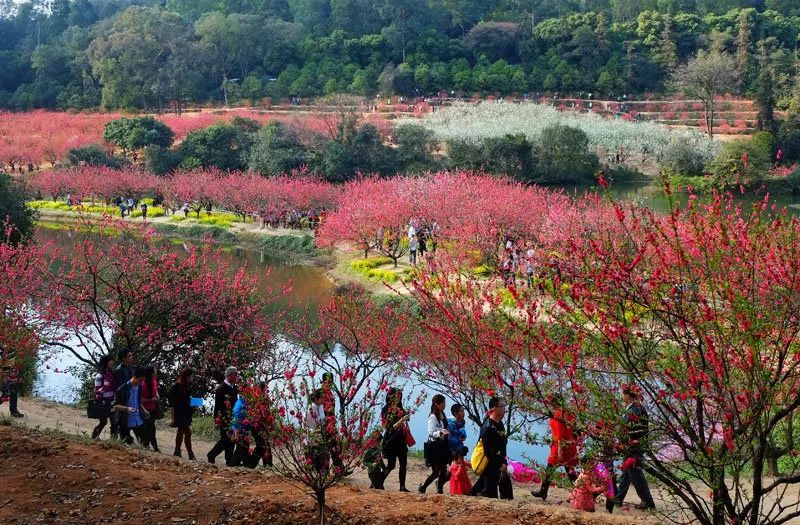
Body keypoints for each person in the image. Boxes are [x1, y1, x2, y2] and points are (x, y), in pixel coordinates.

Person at [531, 394, 579, 500]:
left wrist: (560, 451)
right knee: (570, 472)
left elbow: (560, 435)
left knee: (552, 469)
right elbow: (574, 431)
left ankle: (543, 491)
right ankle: (581, 492)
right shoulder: (568, 414)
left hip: (560, 447)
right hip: (569, 445)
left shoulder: (558, 415)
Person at [615, 387, 656, 510]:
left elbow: (632, 429)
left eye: (623, 395)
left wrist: (625, 443)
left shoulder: (636, 409)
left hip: (633, 446)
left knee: (635, 474)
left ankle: (648, 502)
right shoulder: (634, 408)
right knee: (626, 474)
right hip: (631, 446)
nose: (622, 397)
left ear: (628, 395)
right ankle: (618, 499)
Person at [471, 396, 512, 499]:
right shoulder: (488, 427)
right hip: (490, 465)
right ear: (494, 408)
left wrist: (504, 461)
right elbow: (488, 451)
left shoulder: (500, 424)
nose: (504, 409)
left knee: (486, 488)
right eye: (502, 406)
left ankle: (471, 495)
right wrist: (499, 464)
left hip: (499, 463)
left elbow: (502, 444)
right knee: (489, 493)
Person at [419, 394, 451, 494]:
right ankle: (423, 487)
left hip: (443, 446)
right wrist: (440, 433)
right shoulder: (433, 417)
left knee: (443, 469)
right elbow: (430, 433)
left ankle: (440, 489)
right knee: (436, 472)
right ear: (437, 404)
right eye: (443, 403)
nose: (444, 405)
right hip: (435, 447)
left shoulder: (442, 415)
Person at [381, 388, 411, 492]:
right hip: (391, 440)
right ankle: (379, 481)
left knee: (403, 464)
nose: (398, 398)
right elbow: (389, 427)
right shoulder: (385, 409)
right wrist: (402, 420)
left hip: (401, 439)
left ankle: (402, 487)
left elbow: (405, 419)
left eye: (400, 396)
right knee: (391, 465)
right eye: (396, 396)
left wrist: (406, 416)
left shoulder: (400, 407)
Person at [207, 367, 239, 465]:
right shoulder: (221, 389)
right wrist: (217, 420)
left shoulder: (235, 388)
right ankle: (212, 454)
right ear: (229, 375)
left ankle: (229, 461)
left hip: (233, 418)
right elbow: (217, 407)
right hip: (224, 418)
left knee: (231, 440)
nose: (237, 376)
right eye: (235, 374)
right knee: (225, 439)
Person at [113, 366, 149, 445]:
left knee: (144, 442)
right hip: (126, 420)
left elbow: (138, 400)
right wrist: (126, 408)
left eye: (143, 380)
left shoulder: (139, 387)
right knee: (126, 443)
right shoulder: (122, 389)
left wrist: (144, 410)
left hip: (138, 419)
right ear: (135, 377)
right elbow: (115, 406)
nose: (142, 382)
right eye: (140, 380)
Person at [169, 368, 196, 459]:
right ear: (187, 376)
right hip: (179, 413)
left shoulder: (188, 386)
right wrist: (173, 418)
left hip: (186, 413)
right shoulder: (176, 386)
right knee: (187, 432)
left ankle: (177, 450)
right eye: (191, 376)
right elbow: (172, 404)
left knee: (181, 432)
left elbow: (188, 400)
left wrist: (195, 402)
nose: (193, 377)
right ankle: (190, 453)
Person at [91, 355, 116, 438]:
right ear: (105, 363)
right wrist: (105, 388)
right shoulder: (99, 376)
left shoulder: (111, 374)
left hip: (112, 401)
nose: (112, 362)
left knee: (114, 421)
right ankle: (94, 436)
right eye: (110, 361)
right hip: (104, 403)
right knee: (103, 422)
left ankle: (114, 439)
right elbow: (97, 391)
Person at [111, 349, 134, 439]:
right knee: (121, 418)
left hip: (130, 396)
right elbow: (120, 387)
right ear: (124, 358)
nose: (132, 357)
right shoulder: (119, 370)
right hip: (123, 398)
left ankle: (125, 435)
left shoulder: (131, 368)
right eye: (129, 356)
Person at [140, 365, 160, 452]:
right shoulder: (143, 384)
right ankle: (153, 446)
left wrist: (157, 395)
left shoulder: (154, 381)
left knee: (151, 428)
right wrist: (150, 400)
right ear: (152, 373)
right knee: (149, 428)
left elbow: (156, 391)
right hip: (144, 409)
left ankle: (148, 445)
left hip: (153, 408)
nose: (156, 372)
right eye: (155, 370)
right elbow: (139, 399)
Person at [0, 347, 23, 418]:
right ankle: (14, 411)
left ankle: (14, 411)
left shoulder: (14, 346)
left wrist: (18, 375)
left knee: (14, 391)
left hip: (11, 371)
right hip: (3, 373)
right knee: (5, 394)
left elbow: (16, 361)